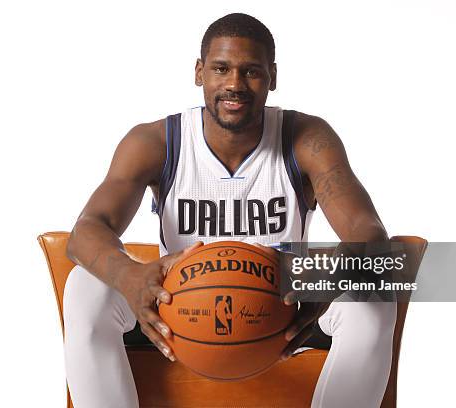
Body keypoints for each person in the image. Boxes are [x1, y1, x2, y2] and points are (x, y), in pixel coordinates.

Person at [64, 13, 396, 408]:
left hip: (280, 309)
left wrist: (320, 279)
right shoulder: (156, 142)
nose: (235, 85)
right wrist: (130, 275)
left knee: (375, 294)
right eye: (221, 69)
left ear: (272, 76)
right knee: (84, 286)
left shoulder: (307, 139)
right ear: (199, 72)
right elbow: (85, 231)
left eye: (251, 71)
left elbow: (369, 235)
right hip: (182, 308)